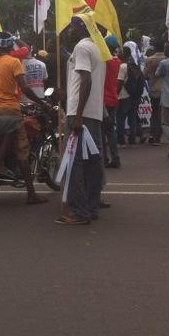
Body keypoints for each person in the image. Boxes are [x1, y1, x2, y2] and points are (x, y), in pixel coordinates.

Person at [0, 33, 51, 205]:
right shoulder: (14, 62)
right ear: (12, 47)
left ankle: (1, 164)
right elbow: (24, 88)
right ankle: (31, 194)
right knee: (23, 151)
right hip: (11, 110)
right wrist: (42, 102)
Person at [56, 19, 106, 225]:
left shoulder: (82, 47)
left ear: (83, 28)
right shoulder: (98, 49)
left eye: (73, 26)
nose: (70, 30)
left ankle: (79, 212)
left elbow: (86, 80)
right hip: (92, 113)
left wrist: (76, 115)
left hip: (81, 113)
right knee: (92, 162)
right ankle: (91, 207)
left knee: (74, 163)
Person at [116, 45, 143, 147]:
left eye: (119, 52)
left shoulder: (122, 66)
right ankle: (132, 141)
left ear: (123, 54)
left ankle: (121, 141)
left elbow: (120, 82)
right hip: (134, 96)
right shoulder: (135, 65)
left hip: (124, 96)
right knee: (132, 118)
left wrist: (116, 94)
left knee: (120, 119)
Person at [102, 36, 122, 169]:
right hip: (114, 98)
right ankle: (115, 157)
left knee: (100, 132)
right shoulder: (118, 62)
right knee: (110, 131)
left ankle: (103, 158)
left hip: (103, 99)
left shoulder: (105, 62)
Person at [143, 39, 166, 144]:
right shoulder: (167, 59)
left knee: (155, 112)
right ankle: (158, 136)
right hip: (166, 90)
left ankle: (152, 134)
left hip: (154, 90)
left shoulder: (149, 60)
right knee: (162, 114)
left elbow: (145, 75)